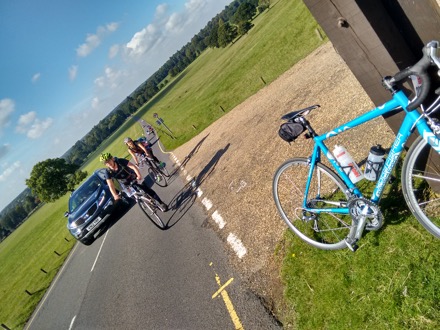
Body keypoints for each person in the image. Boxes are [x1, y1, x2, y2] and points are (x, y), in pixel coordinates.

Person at [99, 152, 168, 211]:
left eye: (109, 161)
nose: (108, 164)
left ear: (112, 159)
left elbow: (133, 166)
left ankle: (161, 203)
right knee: (133, 195)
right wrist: (115, 195)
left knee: (146, 189)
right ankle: (143, 201)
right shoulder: (108, 172)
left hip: (132, 177)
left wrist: (138, 175)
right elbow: (110, 185)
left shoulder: (120, 161)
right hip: (125, 184)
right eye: (106, 163)